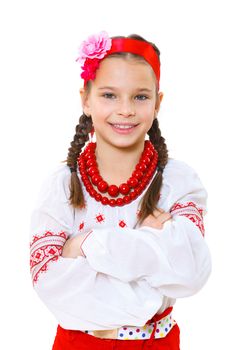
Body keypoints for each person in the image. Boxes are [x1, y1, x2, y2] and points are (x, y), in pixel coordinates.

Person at [29, 30, 212, 350]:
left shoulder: (178, 183)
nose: (125, 109)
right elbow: (50, 281)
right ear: (85, 99)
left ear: (158, 102)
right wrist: (154, 252)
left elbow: (191, 272)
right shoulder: (62, 185)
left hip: (156, 344)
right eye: (109, 95)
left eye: (140, 96)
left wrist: (87, 244)